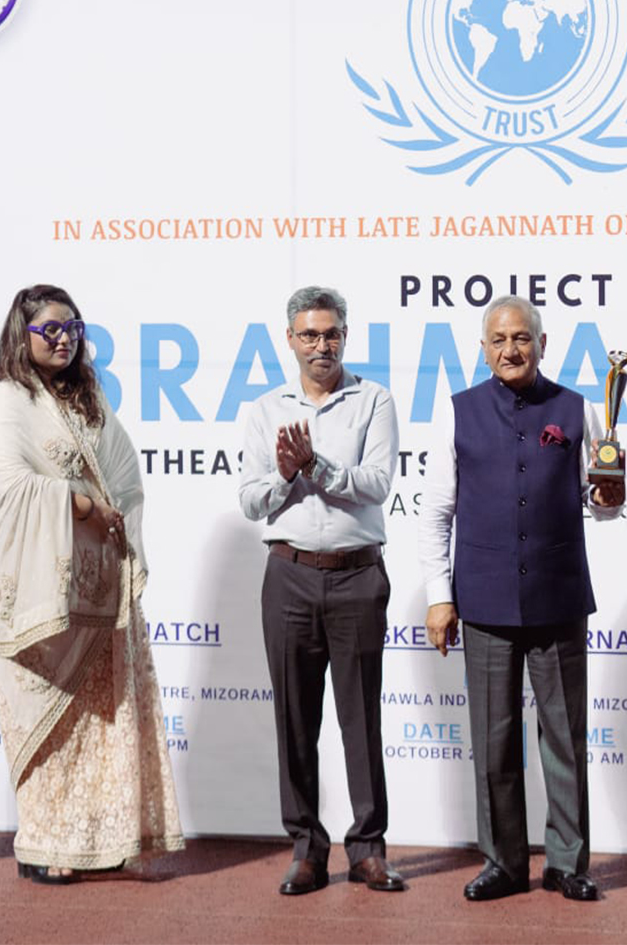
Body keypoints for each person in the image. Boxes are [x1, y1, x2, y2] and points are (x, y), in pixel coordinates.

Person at [417, 297, 622, 903]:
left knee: (565, 737)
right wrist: (438, 597)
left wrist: (612, 493)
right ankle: (504, 862)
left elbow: (602, 506)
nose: (512, 349)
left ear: (542, 343)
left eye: (523, 339)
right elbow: (435, 512)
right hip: (481, 601)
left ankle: (567, 862)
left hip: (558, 597)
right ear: (483, 349)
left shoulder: (579, 408)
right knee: (494, 740)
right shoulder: (457, 413)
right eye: (499, 339)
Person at [0, 284, 184, 883]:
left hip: (101, 590)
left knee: (100, 722)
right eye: (49, 329)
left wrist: (111, 513)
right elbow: (8, 488)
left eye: (72, 329)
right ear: (20, 335)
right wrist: (77, 505)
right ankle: (44, 845)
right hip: (41, 596)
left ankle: (102, 839)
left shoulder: (88, 399)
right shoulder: (8, 402)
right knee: (47, 719)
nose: (61, 340)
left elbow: (124, 479)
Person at [238, 286, 405, 896]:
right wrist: (285, 475)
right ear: (290, 340)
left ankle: (368, 848)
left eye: (331, 333)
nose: (321, 345)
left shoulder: (373, 399)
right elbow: (252, 500)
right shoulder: (264, 409)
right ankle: (306, 848)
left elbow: (377, 483)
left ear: (345, 337)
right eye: (309, 335)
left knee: (362, 719)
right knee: (295, 718)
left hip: (359, 574)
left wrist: (318, 468)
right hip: (288, 574)